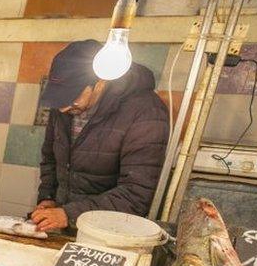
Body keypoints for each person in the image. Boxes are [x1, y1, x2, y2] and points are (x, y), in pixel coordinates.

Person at [29, 40, 168, 232]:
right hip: (67, 224)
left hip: (108, 232)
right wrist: (48, 198)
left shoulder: (146, 112)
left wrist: (69, 214)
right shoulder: (63, 108)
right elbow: (50, 158)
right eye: (59, 100)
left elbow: (136, 194)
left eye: (72, 99)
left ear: (101, 83)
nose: (64, 108)